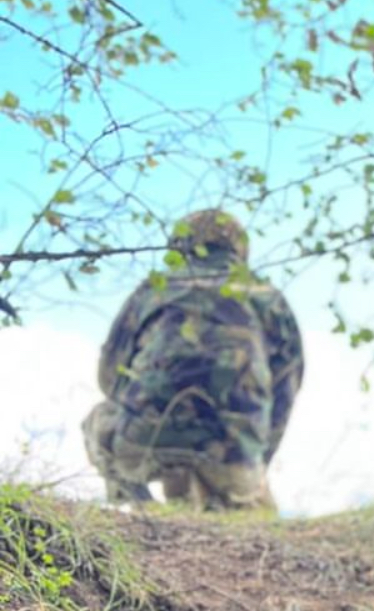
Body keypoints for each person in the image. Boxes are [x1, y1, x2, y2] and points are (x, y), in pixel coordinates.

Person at [82, 209, 303, 511]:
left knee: (97, 421)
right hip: (234, 454)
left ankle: (143, 509)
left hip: (144, 440)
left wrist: (149, 406)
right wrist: (256, 457)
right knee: (255, 517)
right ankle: (224, 497)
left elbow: (110, 376)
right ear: (239, 249)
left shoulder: (153, 290)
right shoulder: (266, 296)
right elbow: (285, 390)